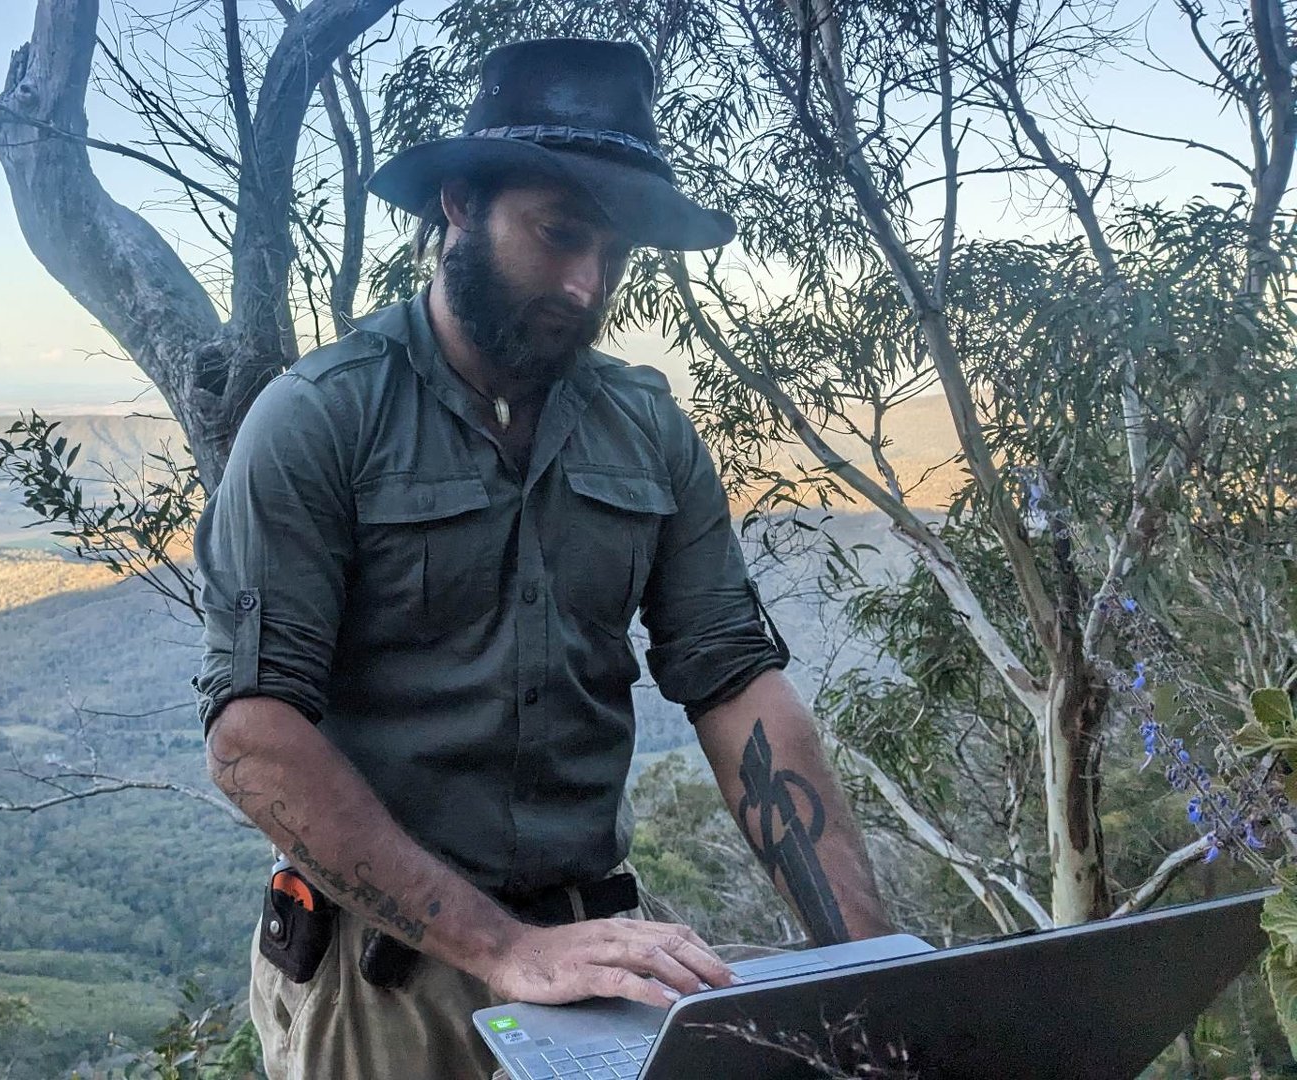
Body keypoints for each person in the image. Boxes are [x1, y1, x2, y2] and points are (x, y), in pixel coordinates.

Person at [194, 37, 895, 1080]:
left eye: (613, 254)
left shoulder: (645, 431)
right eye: (559, 235)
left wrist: (870, 972)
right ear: (461, 206)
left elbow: (735, 682)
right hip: (382, 981)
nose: (585, 283)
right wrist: (505, 949)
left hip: (598, 955)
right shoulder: (321, 419)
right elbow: (252, 739)